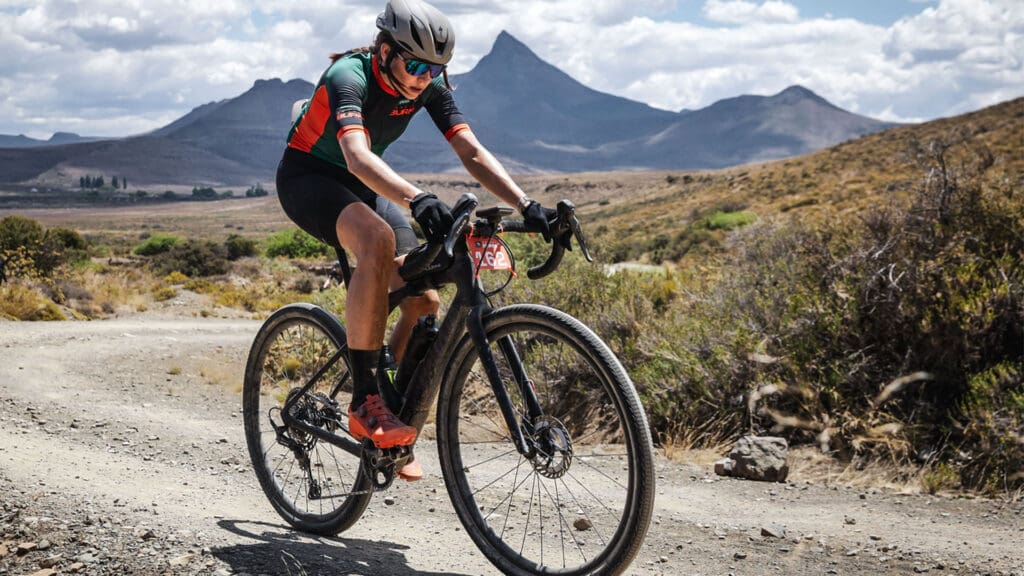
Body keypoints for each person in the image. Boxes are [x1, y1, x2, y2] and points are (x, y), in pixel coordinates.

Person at [275, 0, 555, 480]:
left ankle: (394, 411)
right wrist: (418, 198)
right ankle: (366, 401)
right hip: (310, 178)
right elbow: (357, 156)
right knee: (377, 241)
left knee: (423, 299)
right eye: (417, 64)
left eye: (437, 69)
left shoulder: (430, 83)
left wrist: (528, 204)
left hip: (365, 185)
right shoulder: (349, 76)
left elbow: (468, 148)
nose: (425, 76)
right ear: (385, 50)